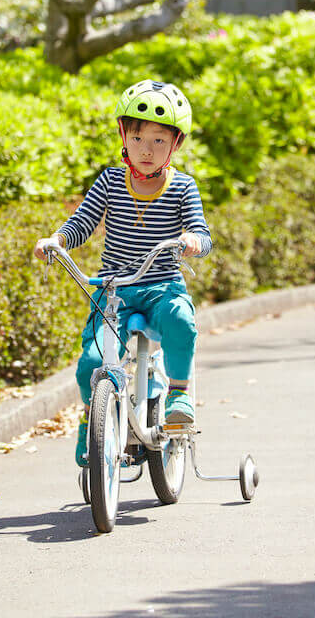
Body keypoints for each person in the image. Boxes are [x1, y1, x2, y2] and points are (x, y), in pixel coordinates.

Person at [34, 80, 213, 467]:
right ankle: (92, 419)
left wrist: (193, 240)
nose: (146, 150)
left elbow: (202, 230)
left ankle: (179, 395)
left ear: (175, 145)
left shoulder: (183, 187)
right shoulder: (111, 183)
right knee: (90, 362)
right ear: (123, 137)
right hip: (114, 288)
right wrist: (59, 239)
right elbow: (83, 221)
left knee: (181, 320)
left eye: (159, 141)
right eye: (138, 138)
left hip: (162, 285)